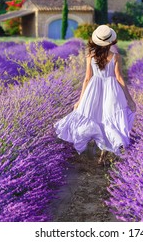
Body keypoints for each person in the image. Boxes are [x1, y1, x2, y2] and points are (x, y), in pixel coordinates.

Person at [54, 25, 136, 165]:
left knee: (94, 117)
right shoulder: (115, 56)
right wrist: (130, 99)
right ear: (111, 41)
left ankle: (95, 148)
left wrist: (80, 101)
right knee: (109, 119)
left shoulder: (90, 56)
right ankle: (103, 155)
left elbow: (87, 78)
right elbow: (119, 78)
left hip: (94, 89)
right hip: (111, 90)